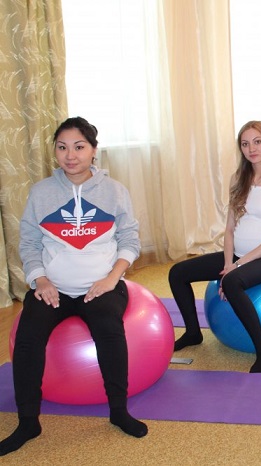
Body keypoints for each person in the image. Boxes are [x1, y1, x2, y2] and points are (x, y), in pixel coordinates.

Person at [0, 117, 147, 456]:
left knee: (110, 330)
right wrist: (40, 279)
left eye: (79, 147)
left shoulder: (114, 191)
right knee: (27, 338)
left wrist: (112, 279)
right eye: (62, 147)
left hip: (102, 285)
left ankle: (119, 411)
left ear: (93, 150)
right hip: (54, 287)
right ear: (55, 151)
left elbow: (129, 239)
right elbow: (29, 243)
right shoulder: (41, 193)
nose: (70, 155)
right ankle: (28, 421)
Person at [168, 120, 261, 373]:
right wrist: (228, 263)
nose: (252, 148)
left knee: (232, 282)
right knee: (177, 273)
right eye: (245, 144)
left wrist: (236, 267)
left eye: (257, 142)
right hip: (237, 254)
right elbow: (229, 229)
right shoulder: (238, 178)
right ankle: (193, 332)